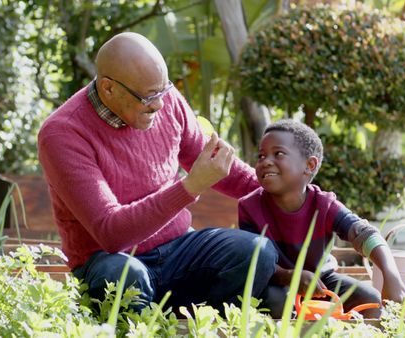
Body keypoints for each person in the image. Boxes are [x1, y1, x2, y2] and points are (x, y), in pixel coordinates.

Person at [37, 32, 277, 312]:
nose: (160, 104)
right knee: (125, 277)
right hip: (111, 261)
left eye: (164, 90)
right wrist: (190, 188)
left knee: (257, 252)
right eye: (150, 96)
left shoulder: (164, 98)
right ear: (108, 88)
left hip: (179, 248)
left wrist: (290, 193)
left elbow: (218, 165)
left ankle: (203, 324)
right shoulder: (63, 133)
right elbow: (110, 233)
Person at [238, 119, 405, 318]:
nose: (265, 161)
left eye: (279, 153)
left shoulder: (324, 205)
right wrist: (288, 276)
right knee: (276, 303)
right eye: (261, 155)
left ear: (309, 165)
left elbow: (364, 234)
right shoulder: (249, 207)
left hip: (321, 282)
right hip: (275, 282)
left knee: (369, 299)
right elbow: (253, 261)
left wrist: (391, 275)